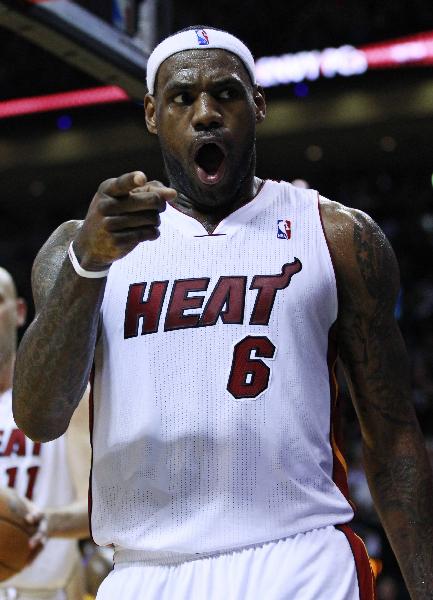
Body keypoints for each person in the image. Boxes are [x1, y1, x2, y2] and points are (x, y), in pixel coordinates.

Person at [12, 26, 433, 599]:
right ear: (152, 114)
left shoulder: (334, 235)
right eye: (183, 98)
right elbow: (39, 416)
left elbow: (394, 439)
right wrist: (88, 265)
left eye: (227, 94)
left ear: (258, 104)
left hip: (298, 562)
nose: (206, 113)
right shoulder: (80, 246)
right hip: (144, 571)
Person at [0, 267, 91, 599]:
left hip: (47, 593)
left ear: (20, 311)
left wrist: (43, 524)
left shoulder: (64, 397)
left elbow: (96, 507)